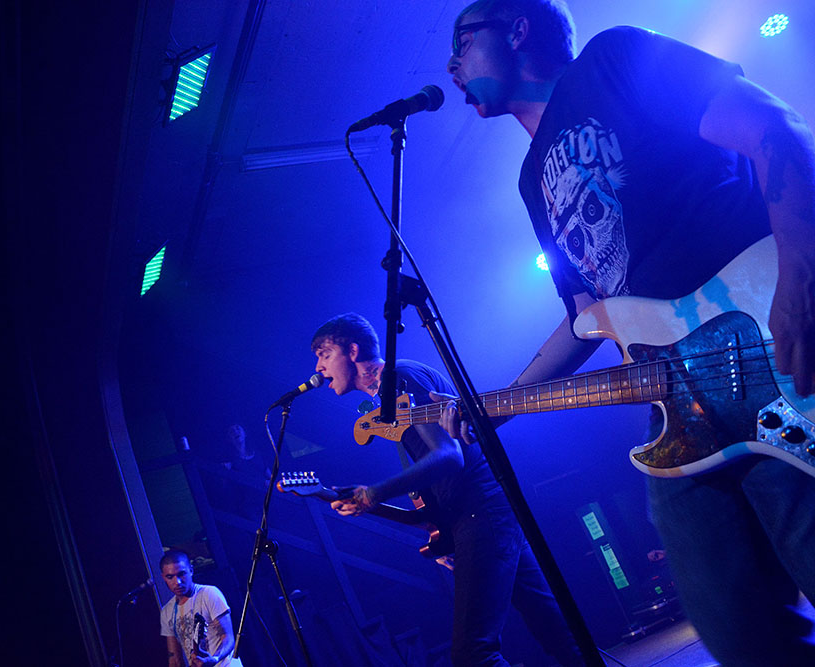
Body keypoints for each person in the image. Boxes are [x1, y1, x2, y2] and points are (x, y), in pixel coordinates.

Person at [443, 1, 815, 665]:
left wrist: (800, 282)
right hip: (683, 411)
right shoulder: (533, 183)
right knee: (743, 633)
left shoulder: (612, 60)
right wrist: (499, 404)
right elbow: (589, 316)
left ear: (517, 27)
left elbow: (775, 130)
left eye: (463, 43)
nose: (451, 67)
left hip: (770, 341)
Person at [311, 313, 582, 666]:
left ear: (352, 350)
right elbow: (438, 475)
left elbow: (449, 457)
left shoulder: (399, 378)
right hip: (479, 513)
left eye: (324, 354)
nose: (318, 367)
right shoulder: (388, 394)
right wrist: (374, 504)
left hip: (481, 513)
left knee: (474, 654)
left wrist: (374, 492)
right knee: (554, 629)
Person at [159, 550, 243, 667]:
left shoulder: (209, 593)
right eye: (170, 577)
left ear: (191, 571)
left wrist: (214, 659)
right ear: (163, 577)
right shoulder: (167, 611)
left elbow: (228, 638)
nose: (177, 582)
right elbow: (174, 657)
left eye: (181, 574)